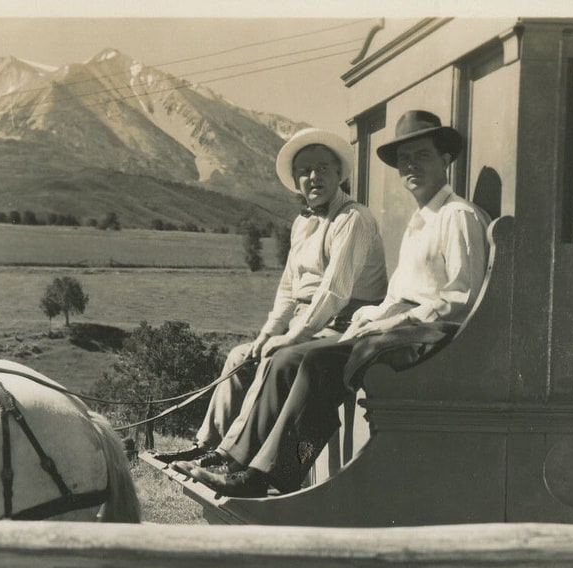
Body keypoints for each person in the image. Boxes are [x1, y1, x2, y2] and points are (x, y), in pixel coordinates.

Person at [180, 110, 490, 497]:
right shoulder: (419, 221)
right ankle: (240, 462)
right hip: (400, 330)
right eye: (404, 160)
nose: (411, 166)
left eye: (422, 156)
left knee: (315, 362)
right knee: (291, 359)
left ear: (445, 160)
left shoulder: (456, 216)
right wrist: (371, 317)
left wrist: (389, 323)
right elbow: (395, 296)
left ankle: (278, 472)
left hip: (430, 337)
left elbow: (461, 300)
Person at [155, 127, 386, 464]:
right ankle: (206, 445)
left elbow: (333, 292)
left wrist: (291, 337)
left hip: (345, 326)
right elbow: (288, 291)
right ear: (295, 180)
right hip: (310, 324)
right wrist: (264, 337)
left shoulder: (352, 219)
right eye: (304, 171)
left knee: (274, 359)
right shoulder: (302, 224)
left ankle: (230, 457)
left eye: (323, 168)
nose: (313, 176)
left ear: (340, 173)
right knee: (241, 357)